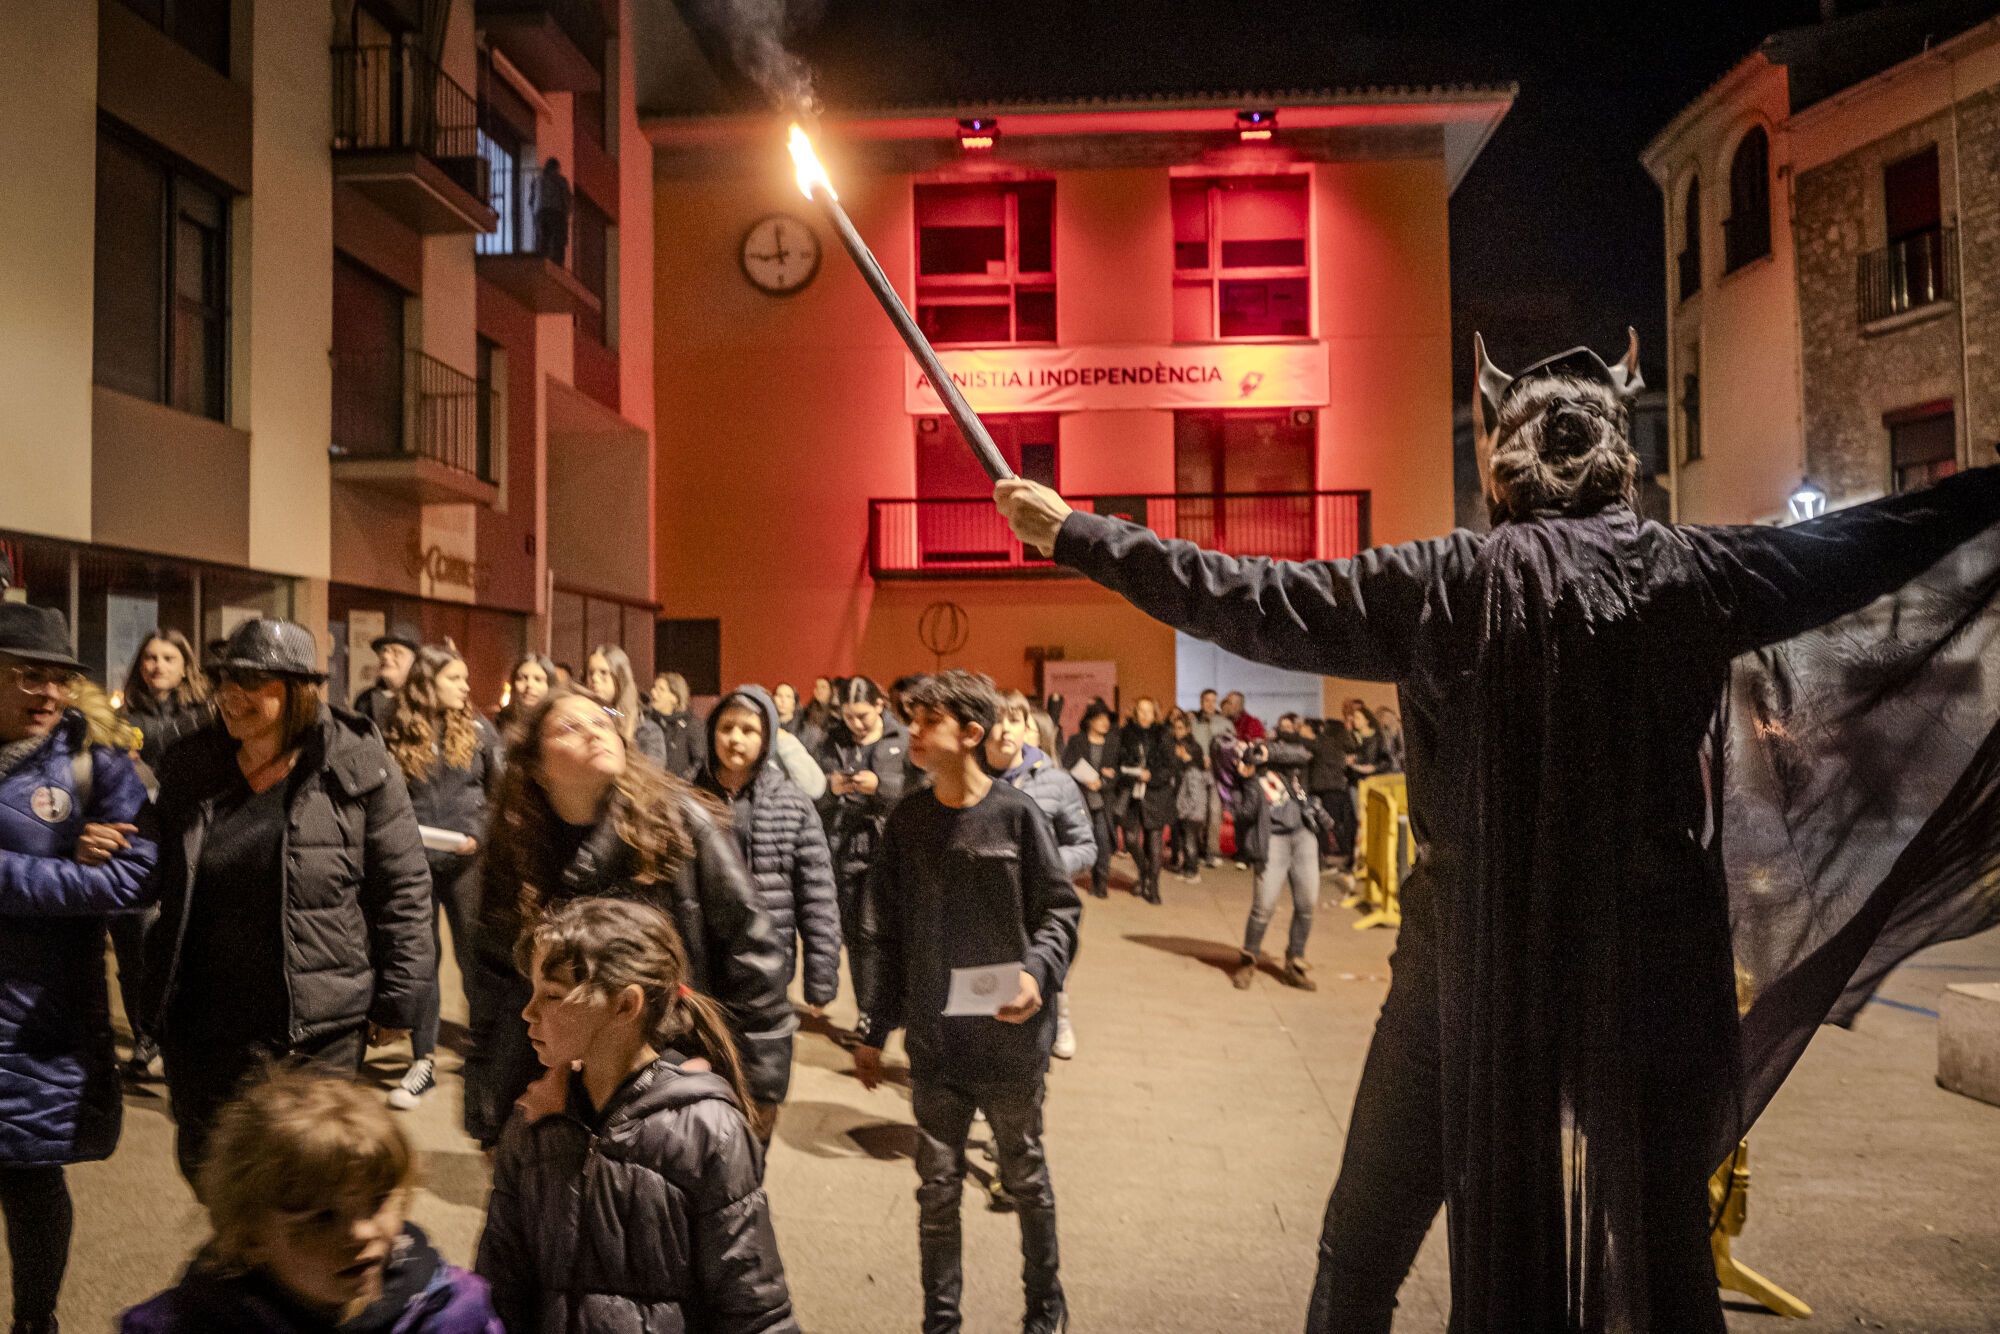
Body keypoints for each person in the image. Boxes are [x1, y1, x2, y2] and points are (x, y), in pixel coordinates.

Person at [997, 329, 2000, 1332]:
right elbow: (1881, 538)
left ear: (1495, 452)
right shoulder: (1693, 573)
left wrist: (1078, 533)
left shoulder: (1446, 582)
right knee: (1662, 1261)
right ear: (1621, 453)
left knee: (1359, 1252)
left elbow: (1249, 599)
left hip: (1464, 971)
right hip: (1641, 966)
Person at [144, 618, 433, 1186]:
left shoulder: (357, 761)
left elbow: (402, 886)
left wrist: (400, 999)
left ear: (299, 690)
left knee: (307, 1178)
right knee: (213, 1175)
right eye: (225, 680)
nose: (231, 696)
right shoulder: (191, 762)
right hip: (208, 1022)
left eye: (253, 683)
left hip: (316, 1026)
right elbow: (148, 865)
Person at [464, 689, 793, 1149]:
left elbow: (753, 951)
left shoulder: (678, 823)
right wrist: (490, 1105)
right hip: (557, 1090)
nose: (596, 730)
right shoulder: (516, 848)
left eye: (601, 720)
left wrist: (758, 1088)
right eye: (569, 727)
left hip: (671, 1080)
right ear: (535, 765)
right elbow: (495, 984)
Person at [853, 671, 1080, 1334]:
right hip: (935, 1048)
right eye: (911, 719)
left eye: (928, 721)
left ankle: (1045, 1310)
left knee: (1027, 1181)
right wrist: (872, 1024)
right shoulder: (909, 821)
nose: (913, 733)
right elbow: (884, 932)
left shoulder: (1017, 815)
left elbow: (1059, 912)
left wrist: (1038, 972)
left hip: (1010, 1044)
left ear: (971, 734)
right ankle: (940, 1322)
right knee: (936, 1194)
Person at [477, 898, 798, 1332]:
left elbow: (756, 1310)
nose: (528, 1011)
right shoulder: (534, 1126)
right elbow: (499, 1290)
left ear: (625, 1006)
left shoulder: (706, 1131)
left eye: (551, 995)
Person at [0, 604, 158, 1334]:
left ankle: (38, 1321)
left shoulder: (96, 760)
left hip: (38, 1016)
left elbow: (134, 878)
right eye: (30, 676)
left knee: (32, 1179)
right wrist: (56, 867)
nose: (49, 694)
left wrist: (23, 878)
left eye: (61, 679)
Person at [121, 1066, 504, 1333]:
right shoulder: (189, 1321)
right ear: (251, 1235)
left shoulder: (452, 1313)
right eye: (321, 1217)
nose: (361, 1232)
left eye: (377, 1202)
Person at [695, 686, 841, 1128]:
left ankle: (751, 1164)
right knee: (706, 1079)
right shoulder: (688, 797)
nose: (736, 739)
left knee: (762, 1082)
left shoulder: (791, 803)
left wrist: (822, 976)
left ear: (768, 737)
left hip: (768, 967)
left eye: (748, 730)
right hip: (704, 965)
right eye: (726, 728)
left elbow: (817, 894)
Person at [383, 645, 504, 1110]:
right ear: (427, 682)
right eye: (455, 678)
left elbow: (497, 796)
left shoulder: (479, 731)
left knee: (475, 961)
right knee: (421, 961)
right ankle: (422, 1061)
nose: (466, 687)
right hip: (415, 862)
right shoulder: (395, 730)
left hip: (466, 862)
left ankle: (484, 1053)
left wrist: (476, 832)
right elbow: (388, 797)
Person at [115, 627, 213, 1078]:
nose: (157, 665)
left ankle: (179, 1033)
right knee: (135, 941)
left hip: (187, 837)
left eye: (169, 658)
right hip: (133, 840)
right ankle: (145, 1036)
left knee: (187, 943)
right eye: (150, 657)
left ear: (185, 666)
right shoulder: (119, 715)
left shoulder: (206, 715)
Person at [985, 689, 1094, 1062]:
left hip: (1038, 905)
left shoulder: (1057, 782)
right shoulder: (970, 782)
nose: (1004, 731)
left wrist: (1042, 865)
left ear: (1026, 726)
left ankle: (1057, 1019)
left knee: (1042, 971)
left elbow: (1085, 847)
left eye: (1014, 720)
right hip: (988, 910)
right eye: (995, 721)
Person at [815, 676, 909, 1015]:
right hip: (845, 846)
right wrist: (832, 788)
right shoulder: (830, 741)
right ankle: (868, 1013)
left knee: (891, 933)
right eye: (848, 716)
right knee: (857, 936)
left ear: (880, 706)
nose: (855, 724)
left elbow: (920, 791)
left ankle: (893, 1010)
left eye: (863, 716)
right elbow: (812, 789)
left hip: (890, 848)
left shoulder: (903, 739)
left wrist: (881, 787)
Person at [1230, 739, 1322, 992]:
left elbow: (1303, 753)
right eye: (1244, 756)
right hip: (1272, 842)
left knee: (1307, 904)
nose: (1251, 759)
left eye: (1252, 754)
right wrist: (1247, 780)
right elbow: (1244, 813)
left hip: (1303, 836)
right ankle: (1248, 960)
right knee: (1263, 906)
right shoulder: (1240, 785)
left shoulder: (1279, 765)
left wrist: (1268, 751)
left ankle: (1294, 964)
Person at [1115, 696, 1175, 904]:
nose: (1145, 715)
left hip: (1156, 794)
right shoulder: (1124, 734)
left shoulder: (1164, 735)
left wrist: (1152, 775)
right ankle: (1145, 872)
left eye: (1149, 710)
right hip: (1131, 793)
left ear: (1155, 713)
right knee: (1130, 839)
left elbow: (1170, 767)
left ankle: (1154, 887)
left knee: (1155, 843)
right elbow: (1118, 763)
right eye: (1141, 710)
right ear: (1135, 712)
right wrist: (1133, 774)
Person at [1058, 701, 1120, 898]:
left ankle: (1100, 881)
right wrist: (1086, 780)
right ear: (1090, 721)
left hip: (1103, 799)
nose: (1104, 723)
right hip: (1082, 797)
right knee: (1081, 839)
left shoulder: (1113, 742)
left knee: (1103, 840)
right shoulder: (1078, 740)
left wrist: (1102, 781)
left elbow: (1119, 771)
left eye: (1107, 720)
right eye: (1100, 719)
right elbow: (1067, 763)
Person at [583, 644, 667, 768]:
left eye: (603, 672)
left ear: (620, 676)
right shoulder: (583, 718)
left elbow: (651, 776)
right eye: (590, 673)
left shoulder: (646, 730)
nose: (594, 678)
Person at [1187, 689, 1233, 866]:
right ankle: (1198, 848)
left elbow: (1231, 748)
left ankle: (1212, 851)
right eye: (1207, 700)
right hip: (1197, 772)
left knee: (1214, 812)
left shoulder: (1224, 723)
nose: (1210, 704)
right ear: (1201, 701)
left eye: (1213, 701)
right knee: (1198, 812)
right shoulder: (1192, 722)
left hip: (1216, 773)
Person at [1169, 711, 1212, 882]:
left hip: (1190, 811)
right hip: (1183, 805)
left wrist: (1185, 810)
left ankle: (1192, 870)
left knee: (1189, 842)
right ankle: (1185, 867)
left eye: (1180, 728)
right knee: (1183, 840)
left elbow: (1194, 794)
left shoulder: (1192, 767)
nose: (1176, 731)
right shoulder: (1180, 753)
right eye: (1175, 728)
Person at [353, 625, 420, 732]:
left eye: (397, 652)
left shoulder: (424, 700)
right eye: (384, 650)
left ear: (415, 662)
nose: (385, 656)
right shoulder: (366, 700)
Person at [647, 670, 708, 781]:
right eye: (654, 687)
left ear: (675, 697)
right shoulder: (649, 722)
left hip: (680, 792)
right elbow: (620, 713)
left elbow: (700, 761)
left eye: (661, 689)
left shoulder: (691, 724)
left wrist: (682, 783)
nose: (653, 692)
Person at [495, 653, 555, 736]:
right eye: (521, 678)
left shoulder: (555, 719)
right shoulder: (504, 716)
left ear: (550, 684)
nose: (529, 684)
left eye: (538, 679)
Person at [530, 156, 571, 266]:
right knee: (557, 242)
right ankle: (557, 264)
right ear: (556, 168)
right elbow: (566, 200)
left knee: (542, 239)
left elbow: (531, 201)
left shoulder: (537, 180)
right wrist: (566, 214)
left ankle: (541, 261)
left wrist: (535, 215)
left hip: (540, 213)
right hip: (556, 214)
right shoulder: (561, 181)